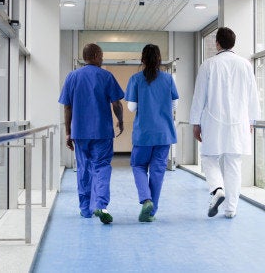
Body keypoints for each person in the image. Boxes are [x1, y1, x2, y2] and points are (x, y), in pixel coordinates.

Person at [189, 27, 260, 219]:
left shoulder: (208, 65)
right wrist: (251, 121)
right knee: (233, 165)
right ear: (233, 43)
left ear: (217, 43)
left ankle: (217, 189)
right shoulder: (245, 65)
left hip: (213, 121)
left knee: (209, 158)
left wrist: (195, 122)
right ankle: (231, 209)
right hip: (239, 123)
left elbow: (199, 97)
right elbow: (253, 96)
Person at [58, 43, 125, 224]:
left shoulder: (72, 77)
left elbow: (67, 106)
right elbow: (117, 103)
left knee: (84, 168)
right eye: (101, 55)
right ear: (95, 55)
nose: (102, 59)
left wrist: (67, 132)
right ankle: (101, 205)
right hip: (102, 132)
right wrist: (121, 120)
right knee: (102, 166)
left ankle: (85, 209)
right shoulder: (106, 76)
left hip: (79, 132)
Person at [125, 44, 179, 222]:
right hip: (164, 134)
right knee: (158, 171)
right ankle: (151, 211)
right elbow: (175, 105)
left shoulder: (135, 79)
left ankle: (146, 199)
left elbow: (132, 107)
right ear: (159, 59)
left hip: (144, 134)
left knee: (139, 166)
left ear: (143, 59)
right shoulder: (168, 79)